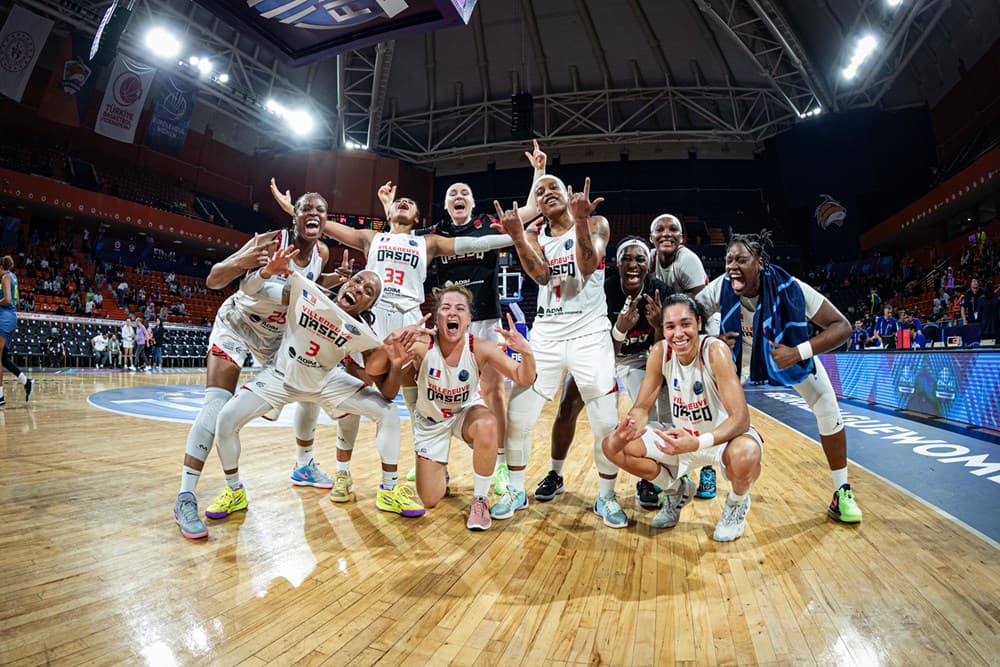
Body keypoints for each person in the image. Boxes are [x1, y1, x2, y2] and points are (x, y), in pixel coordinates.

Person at [269, 177, 519, 479]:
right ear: (387, 214)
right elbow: (320, 224)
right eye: (400, 202)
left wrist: (515, 237)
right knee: (355, 392)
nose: (405, 203)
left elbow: (477, 242)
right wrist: (292, 209)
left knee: (418, 399)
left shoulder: (427, 242)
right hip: (371, 319)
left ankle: (425, 462)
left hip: (408, 320)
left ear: (418, 220)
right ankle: (343, 473)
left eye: (411, 204)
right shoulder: (370, 238)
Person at [173, 191, 332, 540]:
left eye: (321, 209)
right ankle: (185, 495)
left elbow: (306, 292)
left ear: (325, 220)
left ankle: (303, 465)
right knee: (215, 407)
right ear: (294, 215)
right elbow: (215, 279)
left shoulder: (322, 254)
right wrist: (259, 268)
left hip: (275, 338)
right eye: (306, 207)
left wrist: (337, 284)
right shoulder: (268, 242)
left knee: (309, 390)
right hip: (237, 326)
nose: (313, 213)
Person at [210, 269, 421, 529]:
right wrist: (265, 273)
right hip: (281, 377)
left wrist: (397, 365)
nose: (358, 289)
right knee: (226, 420)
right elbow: (252, 288)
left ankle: (388, 490)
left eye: (368, 291)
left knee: (387, 411)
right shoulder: (307, 292)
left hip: (325, 382)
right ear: (346, 282)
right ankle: (234, 491)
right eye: (357, 281)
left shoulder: (364, 333)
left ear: (370, 305)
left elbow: (387, 393)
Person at [696, 230, 862, 523]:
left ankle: (842, 491)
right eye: (729, 259)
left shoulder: (792, 287)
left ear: (759, 263)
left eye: (742, 259)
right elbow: (686, 317)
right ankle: (700, 473)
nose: (732, 265)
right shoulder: (720, 287)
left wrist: (798, 352)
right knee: (699, 400)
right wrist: (712, 339)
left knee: (827, 405)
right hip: (737, 359)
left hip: (784, 354)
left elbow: (842, 327)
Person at [412, 141, 548, 494]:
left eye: (465, 193)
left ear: (472, 204)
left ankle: (500, 461)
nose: (459, 196)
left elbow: (531, 210)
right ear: (446, 205)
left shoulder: (487, 223)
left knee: (491, 390)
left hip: (485, 318)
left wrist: (538, 170)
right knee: (433, 392)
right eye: (453, 193)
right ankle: (432, 457)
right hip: (447, 325)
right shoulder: (435, 237)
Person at [493, 176, 625, 527]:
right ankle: (517, 491)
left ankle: (607, 497)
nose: (546, 193)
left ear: (568, 195)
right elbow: (540, 276)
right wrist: (519, 236)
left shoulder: (595, 222)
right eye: (539, 191)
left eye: (553, 188)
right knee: (519, 416)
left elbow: (586, 266)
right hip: (547, 335)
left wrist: (579, 220)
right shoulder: (535, 235)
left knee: (605, 421)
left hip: (589, 334)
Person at [602, 295, 763, 540]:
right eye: (670, 326)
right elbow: (643, 407)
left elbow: (741, 419)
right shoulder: (660, 352)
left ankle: (737, 503)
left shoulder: (714, 351)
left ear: (699, 323)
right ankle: (677, 490)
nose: (678, 333)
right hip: (680, 440)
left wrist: (698, 442)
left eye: (685, 324)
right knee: (613, 445)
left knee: (747, 454)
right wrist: (631, 423)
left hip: (720, 440)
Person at [537, 237, 669, 511]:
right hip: (597, 352)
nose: (633, 265)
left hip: (641, 358)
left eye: (640, 259)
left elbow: (660, 352)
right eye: (626, 259)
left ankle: (646, 478)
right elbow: (601, 343)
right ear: (616, 263)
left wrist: (657, 326)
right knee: (568, 405)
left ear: (648, 265)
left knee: (647, 412)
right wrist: (620, 329)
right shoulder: (601, 289)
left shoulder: (659, 291)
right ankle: (555, 473)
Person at [404, 285, 536, 531]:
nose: (452, 313)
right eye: (446, 308)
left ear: (468, 319)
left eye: (460, 308)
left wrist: (526, 353)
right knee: (430, 499)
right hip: (431, 422)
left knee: (488, 424)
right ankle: (436, 465)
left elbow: (524, 377)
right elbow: (380, 370)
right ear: (437, 317)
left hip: (464, 413)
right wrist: (397, 344)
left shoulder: (480, 347)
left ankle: (480, 499)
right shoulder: (422, 344)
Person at [648, 213, 717, 500]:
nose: (666, 233)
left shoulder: (687, 261)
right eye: (660, 230)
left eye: (673, 229)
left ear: (682, 238)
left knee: (702, 402)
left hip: (698, 327)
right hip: (671, 330)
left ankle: (709, 469)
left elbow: (695, 312)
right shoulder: (648, 259)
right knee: (672, 402)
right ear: (651, 238)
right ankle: (680, 468)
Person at [0, 255, 34, 405]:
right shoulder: (14, 277)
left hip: (4, 319)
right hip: (12, 317)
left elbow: (7, 299)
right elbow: (17, 300)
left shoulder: (5, 277)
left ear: (1, 267)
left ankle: (0, 397)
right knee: (3, 358)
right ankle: (26, 382)